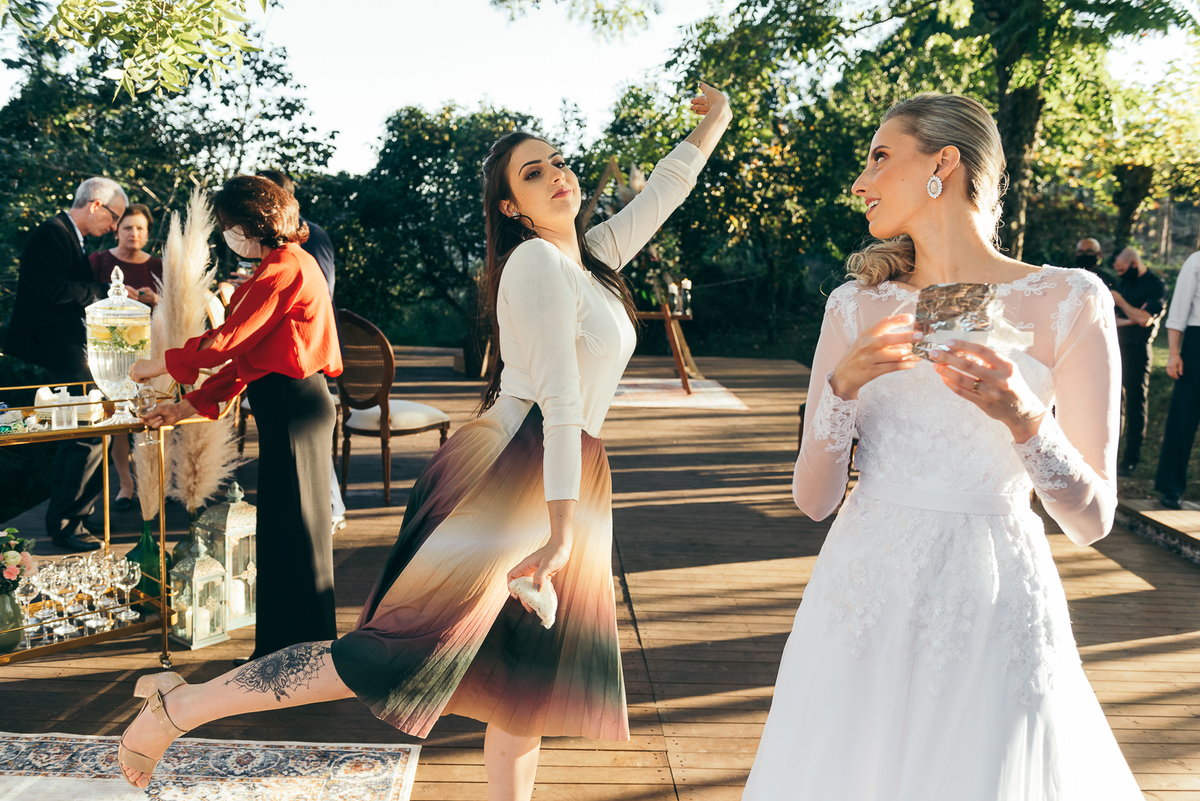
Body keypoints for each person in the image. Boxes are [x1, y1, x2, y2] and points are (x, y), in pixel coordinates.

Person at [115, 83, 731, 800]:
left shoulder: (589, 256)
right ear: (511, 209)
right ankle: (176, 710)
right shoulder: (535, 264)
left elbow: (665, 191)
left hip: (567, 476)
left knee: (522, 683)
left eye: (558, 161)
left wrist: (713, 124)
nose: (558, 173)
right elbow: (559, 400)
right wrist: (561, 534)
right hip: (521, 472)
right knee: (384, 655)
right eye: (533, 173)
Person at [742, 94, 1139, 799]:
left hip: (993, 594)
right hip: (864, 594)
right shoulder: (855, 306)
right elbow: (812, 500)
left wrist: (1025, 418)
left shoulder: (1069, 300)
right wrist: (840, 387)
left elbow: (1092, 519)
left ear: (943, 163)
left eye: (879, 156)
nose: (860, 182)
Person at [129, 175, 342, 662]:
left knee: (298, 530)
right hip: (288, 405)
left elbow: (226, 341)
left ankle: (302, 653)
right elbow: (247, 365)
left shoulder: (284, 268)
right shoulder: (279, 265)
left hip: (294, 408)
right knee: (288, 530)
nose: (229, 236)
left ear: (254, 224)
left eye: (230, 226)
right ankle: (292, 648)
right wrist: (183, 406)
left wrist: (158, 362)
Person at [5, 176, 133, 552]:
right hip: (59, 349)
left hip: (67, 348)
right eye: (113, 218)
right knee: (87, 432)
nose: (112, 227)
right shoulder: (51, 233)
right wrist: (103, 294)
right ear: (96, 205)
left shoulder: (67, 235)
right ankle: (67, 522)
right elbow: (52, 290)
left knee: (85, 431)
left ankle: (72, 514)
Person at [255, 169, 346, 533]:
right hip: (278, 357)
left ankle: (332, 504)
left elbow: (318, 288)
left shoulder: (308, 240)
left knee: (309, 444)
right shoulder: (268, 241)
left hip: (304, 350)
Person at [90, 203, 164, 511]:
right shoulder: (99, 260)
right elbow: (88, 297)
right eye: (127, 227)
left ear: (147, 234)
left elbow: (171, 306)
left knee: (152, 413)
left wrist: (152, 299)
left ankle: (156, 482)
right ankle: (125, 484)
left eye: (140, 228)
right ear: (117, 230)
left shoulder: (158, 264)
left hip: (151, 348)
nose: (133, 233)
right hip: (111, 351)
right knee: (118, 418)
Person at [1110, 246, 1166, 476]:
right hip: (1117, 347)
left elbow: (1145, 319)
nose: (1120, 275)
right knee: (1114, 403)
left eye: (1123, 270)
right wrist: (1129, 317)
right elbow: (1120, 319)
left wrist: (1123, 305)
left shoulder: (1156, 285)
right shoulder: (1124, 282)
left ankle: (1131, 458)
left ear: (1134, 263)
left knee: (1135, 403)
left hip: (1138, 349)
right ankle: (1111, 455)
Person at [1155, 249, 1200, 508]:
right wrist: (1173, 354)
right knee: (1184, 417)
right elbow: (1178, 313)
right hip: (1196, 345)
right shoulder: (1195, 261)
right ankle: (1171, 487)